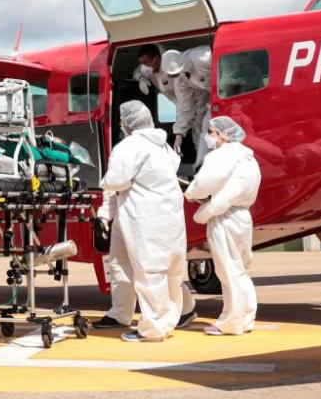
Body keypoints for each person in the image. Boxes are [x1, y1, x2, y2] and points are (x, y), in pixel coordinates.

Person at [92, 100, 197, 341]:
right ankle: (122, 313)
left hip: (142, 218)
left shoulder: (129, 147)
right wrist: (105, 215)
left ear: (126, 123)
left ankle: (154, 327)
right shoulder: (163, 146)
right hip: (158, 215)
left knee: (150, 271)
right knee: (121, 263)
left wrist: (106, 184)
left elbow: (116, 181)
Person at [184, 116, 261, 335]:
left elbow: (204, 183)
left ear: (223, 134)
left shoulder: (220, 156)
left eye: (212, 132)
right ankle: (246, 317)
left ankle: (231, 322)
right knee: (240, 269)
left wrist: (191, 193)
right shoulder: (248, 158)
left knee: (227, 269)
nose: (208, 136)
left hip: (224, 218)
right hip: (243, 217)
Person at [161, 45, 213, 166]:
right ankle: (202, 167)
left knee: (207, 127)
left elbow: (226, 62)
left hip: (232, 90)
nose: (175, 77)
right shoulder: (180, 80)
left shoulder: (201, 57)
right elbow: (184, 107)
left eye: (175, 74)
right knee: (202, 128)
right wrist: (179, 135)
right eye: (172, 75)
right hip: (214, 98)